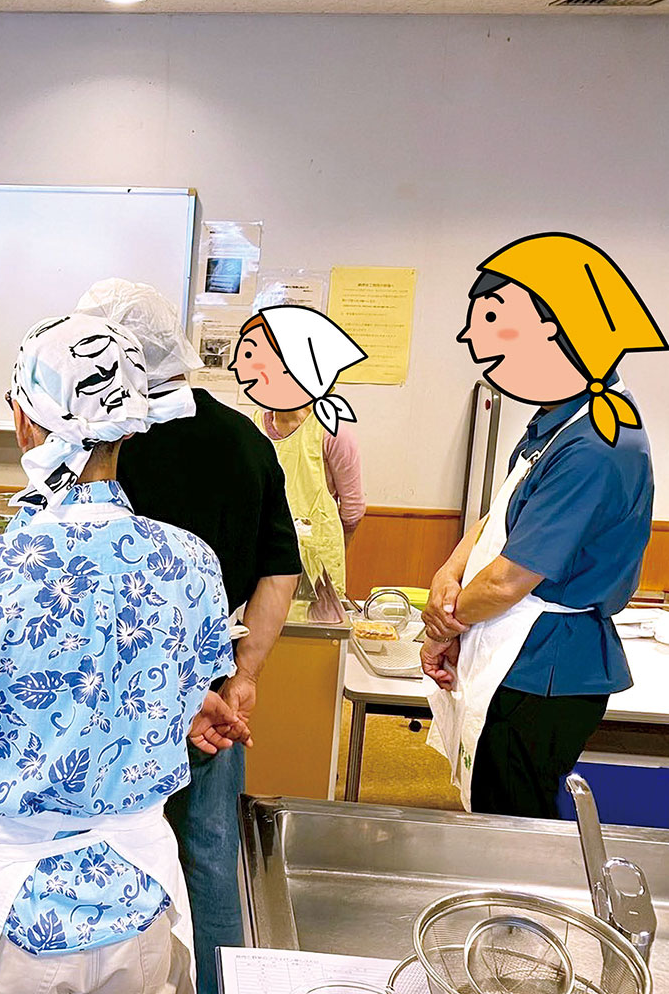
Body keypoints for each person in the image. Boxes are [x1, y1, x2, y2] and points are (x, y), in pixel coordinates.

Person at [0, 313, 246, 994]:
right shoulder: (191, 562)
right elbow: (182, 696)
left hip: (12, 909)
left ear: (25, 421)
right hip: (140, 898)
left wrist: (27, 796)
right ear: (131, 427)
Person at [80, 279, 300, 994]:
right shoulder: (244, 439)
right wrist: (245, 674)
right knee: (209, 850)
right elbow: (278, 570)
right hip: (210, 677)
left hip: (108, 684)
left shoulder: (100, 445)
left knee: (106, 843)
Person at [421, 233, 662, 818]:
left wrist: (443, 622)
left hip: (544, 668)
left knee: (514, 824)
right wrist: (447, 575)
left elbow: (509, 579)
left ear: (555, 329)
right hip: (512, 646)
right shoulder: (557, 420)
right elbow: (498, 516)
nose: (472, 337)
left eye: (493, 318)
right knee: (488, 804)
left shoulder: (598, 445)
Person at [234, 306, 367, 597]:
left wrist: (329, 547)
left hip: (317, 562)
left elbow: (353, 510)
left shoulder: (332, 431)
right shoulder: (253, 427)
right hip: (263, 557)